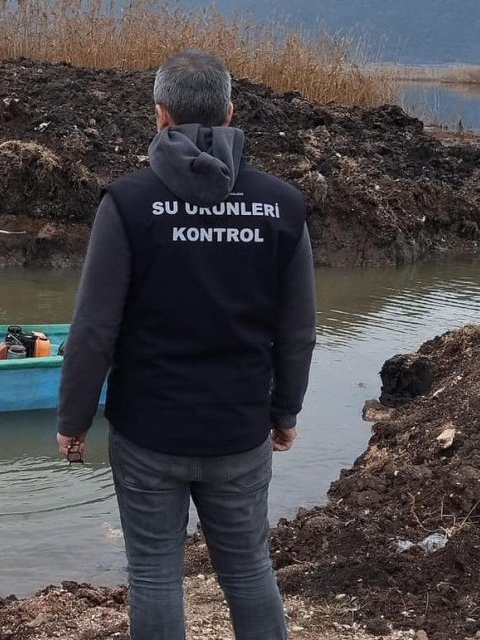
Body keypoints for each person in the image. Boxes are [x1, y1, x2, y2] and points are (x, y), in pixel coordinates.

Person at [56, 50, 317, 640]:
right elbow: (298, 330)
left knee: (153, 574)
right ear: (230, 112)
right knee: (249, 569)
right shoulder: (281, 205)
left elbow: (94, 330)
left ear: (160, 115)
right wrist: (285, 412)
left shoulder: (127, 202)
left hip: (149, 429)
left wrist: (73, 419)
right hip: (239, 427)